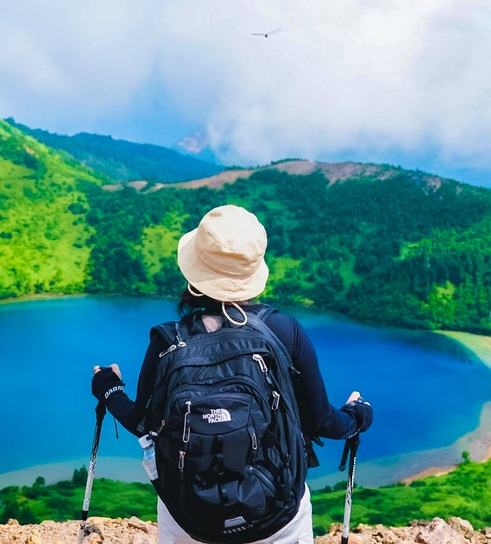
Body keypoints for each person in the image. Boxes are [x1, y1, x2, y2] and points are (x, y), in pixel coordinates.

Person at [90, 204, 373, 544]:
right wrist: (357, 417)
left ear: (194, 271)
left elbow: (144, 422)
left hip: (188, 518)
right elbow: (320, 422)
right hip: (275, 515)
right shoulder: (283, 331)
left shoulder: (168, 341)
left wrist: (109, 387)